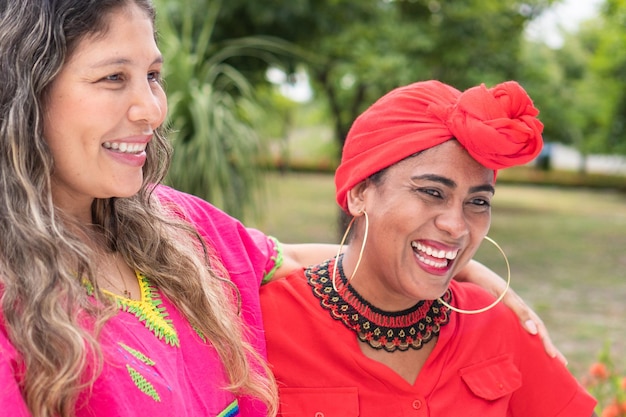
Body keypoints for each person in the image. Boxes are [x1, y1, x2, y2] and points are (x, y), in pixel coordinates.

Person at [0, 1, 563, 416]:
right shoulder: (11, 298)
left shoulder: (179, 227)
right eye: (113, 78)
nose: (150, 108)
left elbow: (290, 256)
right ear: (26, 90)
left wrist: (472, 266)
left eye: (152, 76)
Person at [260, 80, 598, 416]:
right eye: (432, 192)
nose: (457, 225)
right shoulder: (259, 326)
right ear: (360, 193)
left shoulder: (497, 323)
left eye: (478, 201)